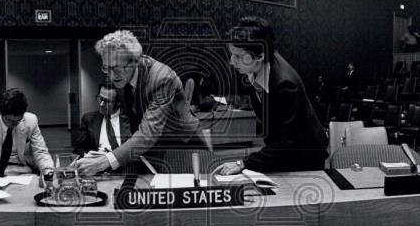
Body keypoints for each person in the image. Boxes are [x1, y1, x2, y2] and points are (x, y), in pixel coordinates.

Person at [74, 30, 203, 177]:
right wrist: (106, 153)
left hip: (182, 148)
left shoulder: (162, 78)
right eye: (106, 68)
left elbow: (148, 133)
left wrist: (104, 161)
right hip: (151, 149)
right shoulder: (120, 77)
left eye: (116, 68)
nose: (111, 75)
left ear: (135, 61)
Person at [214, 17, 327, 174]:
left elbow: (287, 141)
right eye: (232, 54)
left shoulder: (285, 85)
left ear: (260, 56)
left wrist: (242, 164)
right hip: (283, 150)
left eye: (238, 56)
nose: (232, 61)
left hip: (304, 155)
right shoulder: (258, 65)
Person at [0, 87, 54, 177]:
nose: (14, 124)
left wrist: (48, 171)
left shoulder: (31, 120)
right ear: (0, 112)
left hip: (24, 170)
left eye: (18, 120)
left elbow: (40, 151)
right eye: (10, 120)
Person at [73, 84, 130, 157]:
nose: (101, 104)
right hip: (96, 164)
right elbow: (78, 150)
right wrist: (87, 155)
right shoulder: (89, 119)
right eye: (100, 98)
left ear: (118, 102)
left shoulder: (131, 121)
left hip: (122, 165)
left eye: (107, 101)